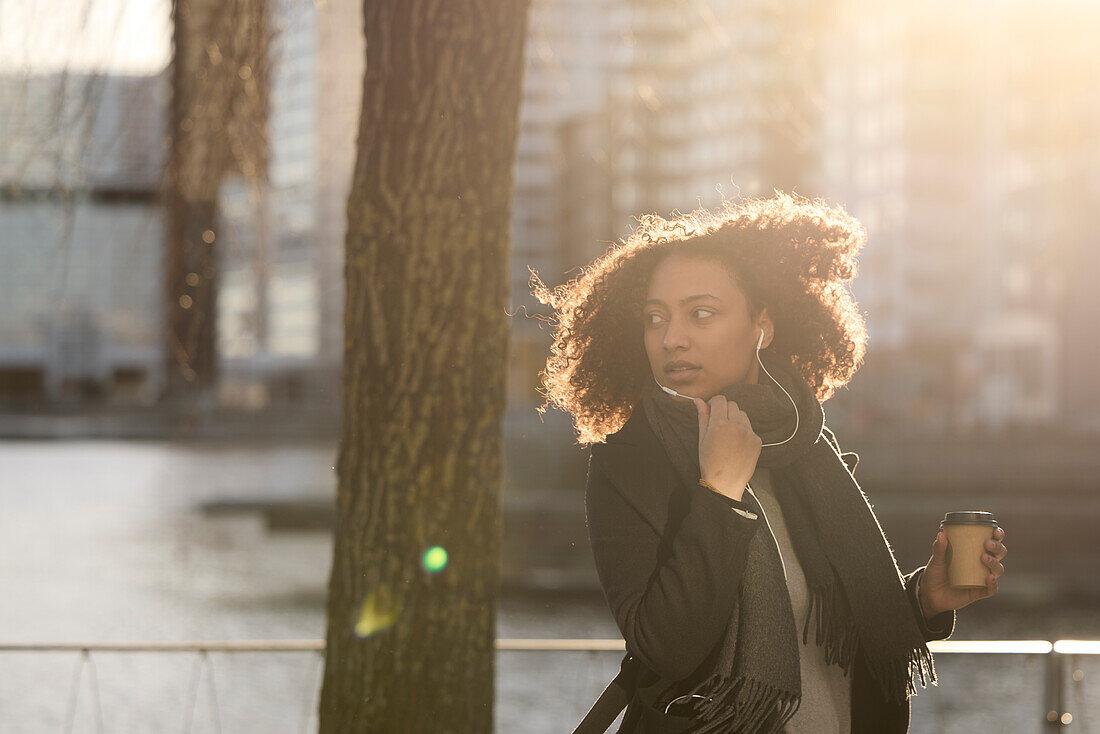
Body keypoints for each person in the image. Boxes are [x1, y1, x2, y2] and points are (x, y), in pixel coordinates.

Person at [530, 193, 1008, 734]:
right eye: (654, 318)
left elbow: (833, 626)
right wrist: (718, 494)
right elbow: (665, 647)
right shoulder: (629, 466)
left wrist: (925, 598)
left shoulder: (804, 446)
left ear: (764, 326)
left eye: (701, 313)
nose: (671, 338)